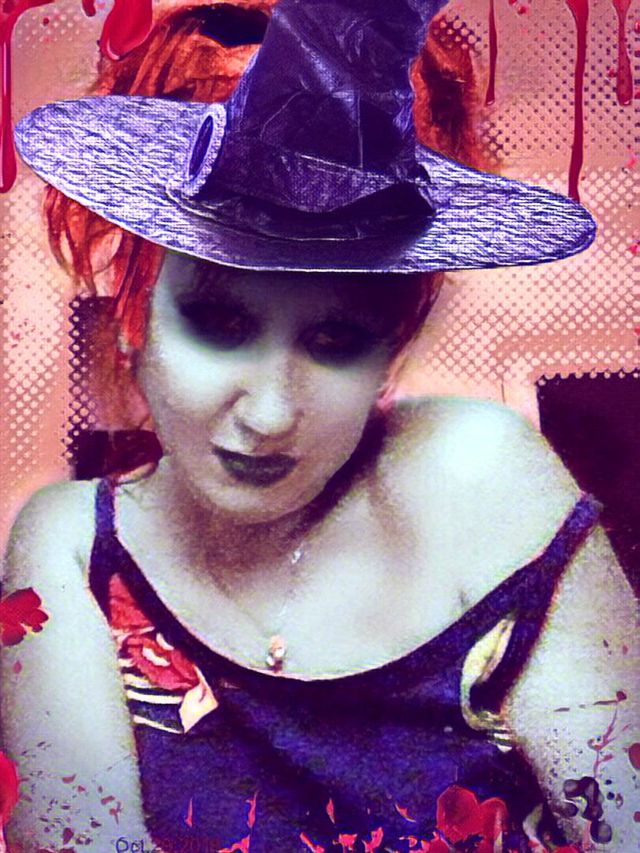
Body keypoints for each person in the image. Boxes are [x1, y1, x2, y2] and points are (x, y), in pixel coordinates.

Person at [2, 0, 638, 851]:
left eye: (336, 339)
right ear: (133, 315)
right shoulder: (74, 549)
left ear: (391, 349)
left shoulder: (475, 475)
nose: (269, 414)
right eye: (221, 322)